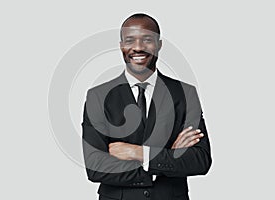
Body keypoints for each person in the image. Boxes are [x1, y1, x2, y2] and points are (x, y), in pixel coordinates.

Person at [82, 13, 212, 200]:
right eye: (130, 40)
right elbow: (95, 167)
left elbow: (200, 161)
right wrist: (166, 159)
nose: (138, 48)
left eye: (147, 40)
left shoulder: (185, 93)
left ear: (159, 44)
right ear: (121, 46)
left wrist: (139, 153)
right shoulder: (98, 96)